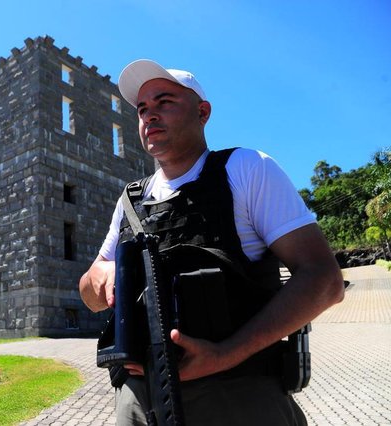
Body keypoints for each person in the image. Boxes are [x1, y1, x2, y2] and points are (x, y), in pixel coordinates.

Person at [78, 59, 345, 426]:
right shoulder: (129, 202)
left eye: (165, 102)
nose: (149, 116)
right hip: (141, 403)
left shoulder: (246, 170)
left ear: (202, 112)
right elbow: (89, 294)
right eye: (142, 109)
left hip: (237, 398)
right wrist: (100, 276)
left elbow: (323, 280)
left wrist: (225, 354)